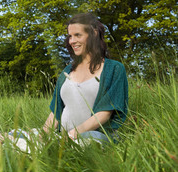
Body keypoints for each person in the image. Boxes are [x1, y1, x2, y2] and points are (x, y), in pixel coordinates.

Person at [42, 13, 128, 144]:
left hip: (94, 136)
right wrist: (41, 137)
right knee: (13, 138)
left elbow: (104, 113)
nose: (72, 41)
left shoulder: (114, 69)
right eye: (70, 36)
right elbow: (55, 113)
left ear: (93, 33)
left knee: (88, 141)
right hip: (62, 137)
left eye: (77, 35)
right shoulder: (67, 72)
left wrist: (72, 135)